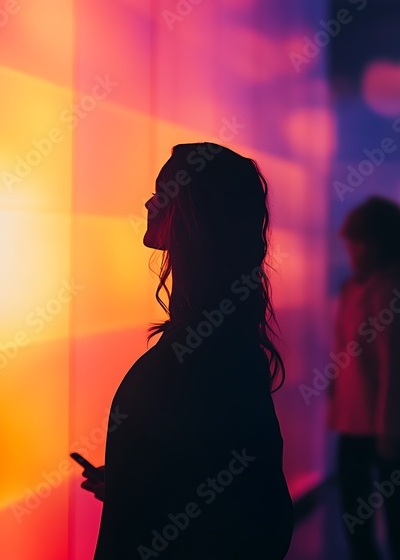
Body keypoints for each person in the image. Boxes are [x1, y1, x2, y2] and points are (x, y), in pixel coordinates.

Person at [82, 143, 294, 559]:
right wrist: (135, 478)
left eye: (162, 193)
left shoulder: (205, 354)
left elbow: (242, 509)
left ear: (192, 214)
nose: (148, 203)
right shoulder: (220, 341)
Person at [331, 197, 400, 560]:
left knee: (395, 521)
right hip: (359, 420)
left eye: (357, 242)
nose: (352, 250)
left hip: (386, 423)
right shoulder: (357, 288)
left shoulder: (395, 290)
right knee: (366, 517)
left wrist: (390, 429)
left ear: (377, 243)